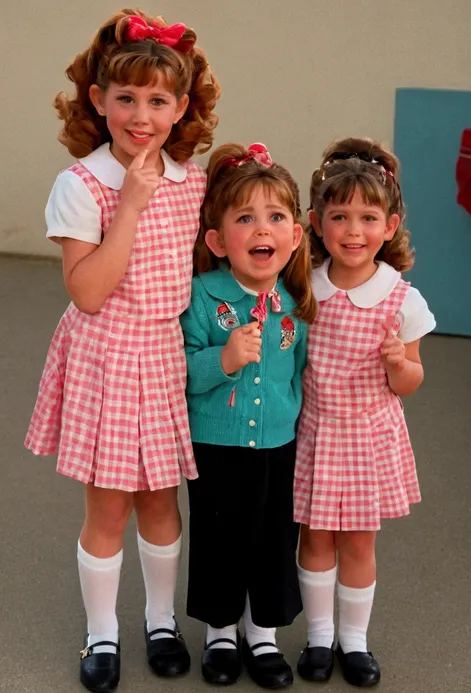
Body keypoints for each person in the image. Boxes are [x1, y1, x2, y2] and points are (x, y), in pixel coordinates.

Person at [24, 8, 219, 692]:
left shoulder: (190, 178)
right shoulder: (82, 185)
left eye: (158, 100)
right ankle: (101, 630)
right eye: (126, 98)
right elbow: (89, 292)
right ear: (98, 100)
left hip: (163, 353)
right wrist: (130, 205)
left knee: (161, 500)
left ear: (181, 106)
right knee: (109, 504)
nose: (142, 115)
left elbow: (197, 275)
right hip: (108, 350)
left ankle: (159, 621)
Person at [294, 138, 436, 687]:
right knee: (315, 539)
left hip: (368, 436)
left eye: (368, 217)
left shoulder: (401, 298)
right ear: (316, 221)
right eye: (340, 217)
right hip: (314, 432)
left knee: (357, 540)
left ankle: (354, 641)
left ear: (391, 224)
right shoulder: (306, 285)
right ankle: (318, 637)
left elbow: (412, 381)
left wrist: (399, 363)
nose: (353, 231)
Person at [180, 142, 318, 688]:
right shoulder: (202, 296)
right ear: (217, 241)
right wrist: (225, 359)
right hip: (215, 445)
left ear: (295, 236)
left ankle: (263, 633)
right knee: (220, 537)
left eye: (276, 217)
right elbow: (183, 372)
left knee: (273, 538)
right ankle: (219, 631)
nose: (263, 229)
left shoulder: (296, 304)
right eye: (245, 218)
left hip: (278, 445)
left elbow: (300, 373)